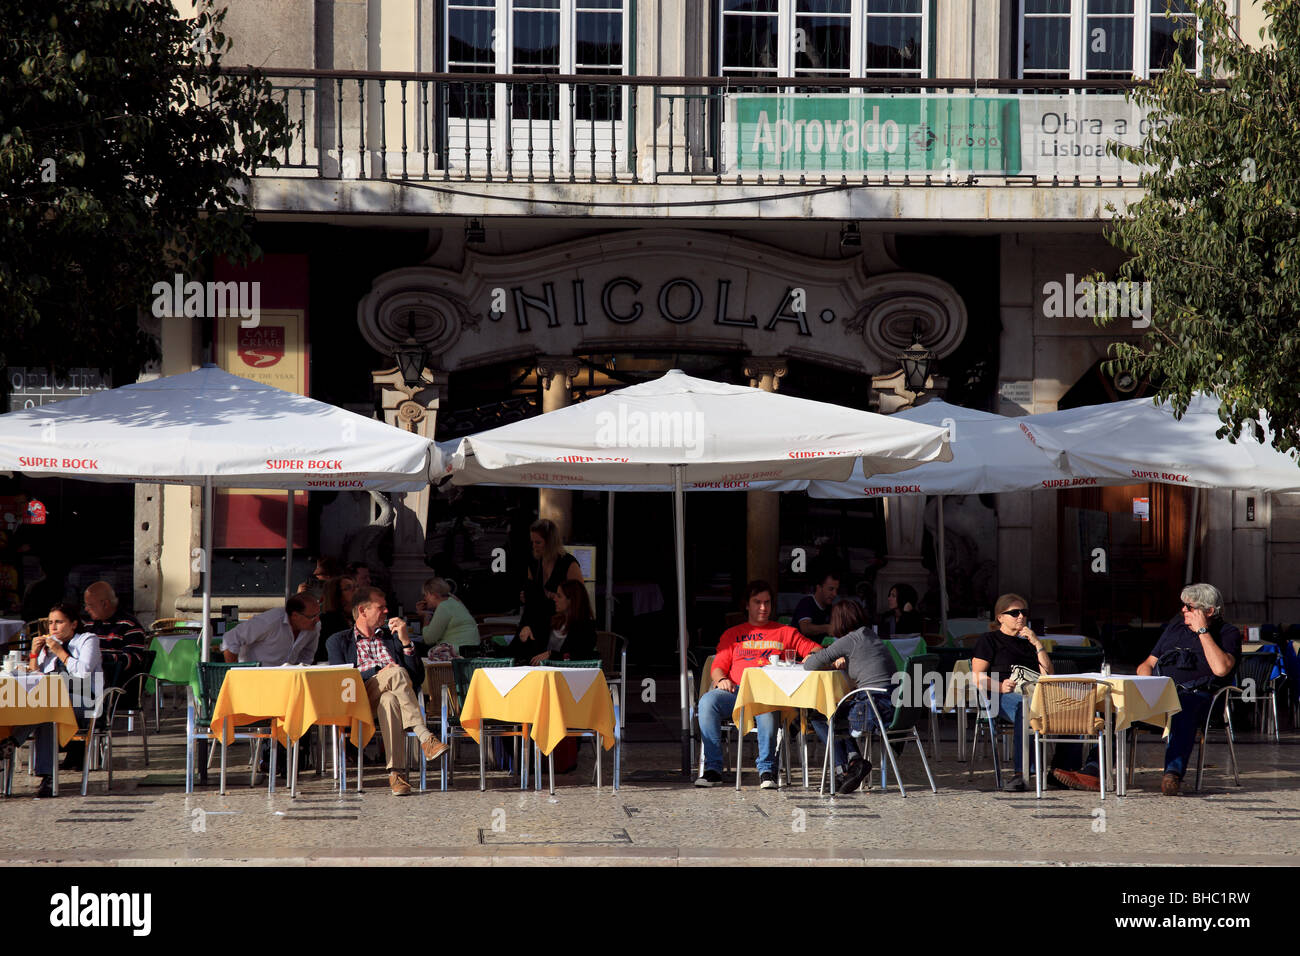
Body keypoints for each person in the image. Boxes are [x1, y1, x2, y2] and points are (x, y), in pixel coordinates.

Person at [695, 580, 822, 789]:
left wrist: (811, 658)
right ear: (747, 605)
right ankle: (713, 769)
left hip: (768, 694)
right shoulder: (733, 634)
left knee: (767, 704)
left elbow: (815, 649)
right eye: (757, 602)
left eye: (767, 602)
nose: (763, 608)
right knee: (707, 702)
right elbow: (717, 667)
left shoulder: (785, 632)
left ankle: (767, 771)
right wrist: (721, 680)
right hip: (736, 692)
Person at [326, 586, 448, 796]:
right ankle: (424, 735)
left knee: (390, 700)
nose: (386, 612)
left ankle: (396, 774)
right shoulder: (338, 640)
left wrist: (406, 642)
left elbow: (417, 678)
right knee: (395, 673)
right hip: (358, 697)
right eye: (380, 607)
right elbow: (341, 678)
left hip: (389, 697)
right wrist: (379, 671)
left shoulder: (392, 639)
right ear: (363, 611)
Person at [1135, 583, 1240, 796]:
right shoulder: (1175, 628)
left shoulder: (1227, 633)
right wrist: (1148, 686)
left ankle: (1172, 774)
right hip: (1162, 692)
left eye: (1190, 607)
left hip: (1201, 697)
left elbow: (1221, 669)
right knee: (1115, 703)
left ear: (1209, 611)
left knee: (1183, 705)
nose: (1183, 610)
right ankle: (1092, 769)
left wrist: (1202, 631)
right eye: (1183, 605)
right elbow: (1146, 664)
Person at [8, 602, 103, 798]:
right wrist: (34, 654)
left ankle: (11, 741)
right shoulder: (48, 645)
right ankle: (48, 778)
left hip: (84, 700)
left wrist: (60, 651)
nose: (53, 627)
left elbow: (84, 673)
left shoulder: (88, 640)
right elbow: (35, 678)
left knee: (47, 706)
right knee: (45, 712)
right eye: (50, 622)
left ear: (73, 624)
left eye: (59, 622)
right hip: (53, 702)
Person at [803, 600, 897, 792]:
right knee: (836, 712)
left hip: (872, 707)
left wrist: (816, 657)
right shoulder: (869, 635)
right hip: (890, 704)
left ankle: (842, 769)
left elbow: (810, 665)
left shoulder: (849, 640)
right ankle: (853, 762)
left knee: (822, 716)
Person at [970, 592, 1054, 792]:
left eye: (1024, 612)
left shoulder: (1028, 644)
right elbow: (977, 676)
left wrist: (1037, 643)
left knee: (1071, 707)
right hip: (1001, 696)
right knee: (1022, 707)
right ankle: (1021, 773)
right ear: (1000, 617)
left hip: (1034, 694)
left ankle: (1064, 770)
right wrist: (1000, 686)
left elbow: (1049, 674)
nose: (1021, 617)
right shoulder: (989, 640)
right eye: (1014, 612)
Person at [506, 518, 583, 663]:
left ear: (550, 542)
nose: (534, 546)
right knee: (515, 655)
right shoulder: (535, 563)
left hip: (559, 626)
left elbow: (579, 598)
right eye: (532, 542)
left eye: (538, 542)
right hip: (537, 623)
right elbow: (530, 597)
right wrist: (526, 623)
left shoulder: (568, 564)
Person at [221, 594, 321, 666]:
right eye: (312, 616)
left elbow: (306, 656)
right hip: (256, 678)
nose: (317, 620)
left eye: (318, 615)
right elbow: (230, 639)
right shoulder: (269, 621)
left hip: (287, 681)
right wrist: (234, 672)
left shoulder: (314, 627)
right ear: (295, 615)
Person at [525, 579, 596, 665]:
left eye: (559, 596)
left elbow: (579, 656)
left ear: (571, 600)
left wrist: (552, 654)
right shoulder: (552, 621)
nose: (554, 599)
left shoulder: (585, 627)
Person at [417, 576, 480, 653]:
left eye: (425, 595)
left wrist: (426, 617)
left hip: (457, 652)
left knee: (413, 648)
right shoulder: (454, 602)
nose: (424, 599)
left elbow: (428, 639)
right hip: (469, 650)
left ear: (433, 594)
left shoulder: (444, 607)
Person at [81, 581, 148, 649]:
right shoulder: (89, 626)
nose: (86, 609)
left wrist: (97, 657)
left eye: (90, 605)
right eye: (85, 605)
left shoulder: (130, 626)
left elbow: (134, 657)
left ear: (105, 604)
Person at [317, 575, 356, 662]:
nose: (355, 591)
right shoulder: (327, 621)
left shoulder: (355, 617)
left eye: (355, 587)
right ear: (336, 594)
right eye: (348, 588)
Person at [794, 570, 839, 641]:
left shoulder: (830, 607)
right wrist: (827, 628)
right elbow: (805, 628)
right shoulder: (806, 603)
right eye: (831, 589)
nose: (835, 594)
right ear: (819, 588)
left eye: (837, 590)